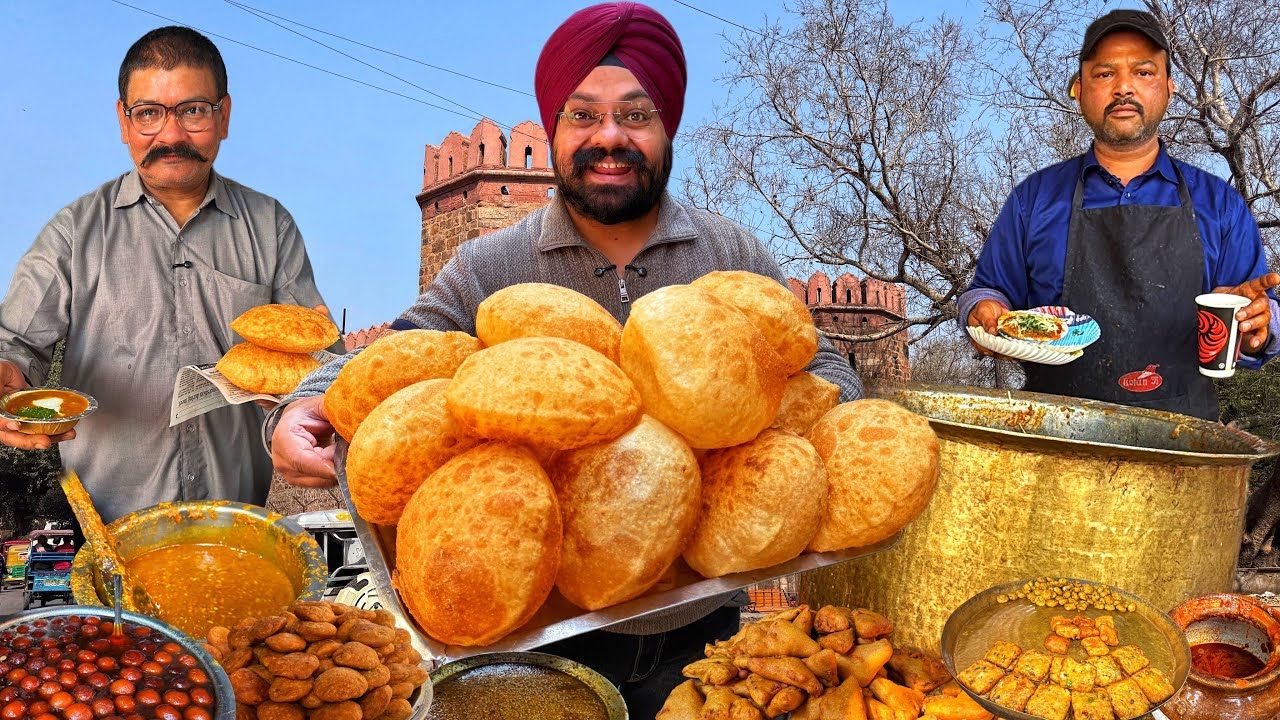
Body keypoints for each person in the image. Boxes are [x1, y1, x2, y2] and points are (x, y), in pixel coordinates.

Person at [269, 3, 863, 714]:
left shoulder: (730, 252)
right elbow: (401, 347)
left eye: (635, 115)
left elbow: (821, 368)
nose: (609, 137)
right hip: (536, 637)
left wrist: (819, 435)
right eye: (583, 116)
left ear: (667, 129)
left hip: (704, 630)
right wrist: (303, 401)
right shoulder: (492, 265)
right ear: (551, 132)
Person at [0, 27, 333, 522]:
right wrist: (6, 376)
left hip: (236, 525)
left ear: (223, 116)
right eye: (148, 113)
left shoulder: (270, 226)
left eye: (193, 111)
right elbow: (13, 344)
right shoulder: (74, 231)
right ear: (123, 121)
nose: (171, 136)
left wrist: (315, 388)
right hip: (107, 532)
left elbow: (315, 360)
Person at [961, 9, 1279, 420]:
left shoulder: (1220, 204)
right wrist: (981, 310)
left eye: (1143, 72)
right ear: (1079, 90)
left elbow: (1261, 315)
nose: (1124, 87)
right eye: (1105, 73)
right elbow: (987, 291)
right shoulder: (1034, 199)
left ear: (1169, 88)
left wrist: (1259, 327)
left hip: (1184, 439)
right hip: (1056, 436)